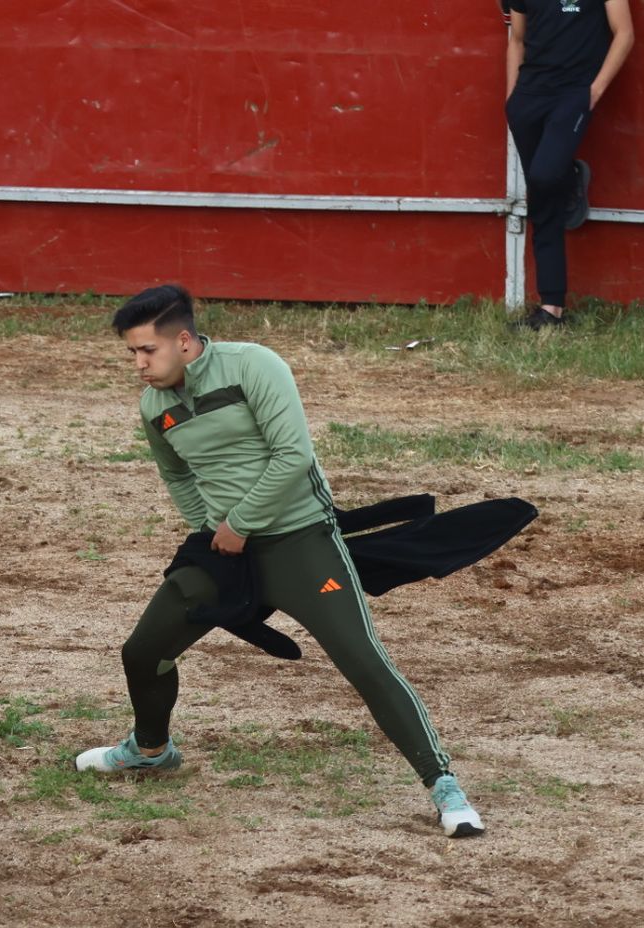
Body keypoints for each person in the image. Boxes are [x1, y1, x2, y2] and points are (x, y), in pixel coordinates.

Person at [73, 285, 484, 838]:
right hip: (223, 549)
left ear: (186, 341)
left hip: (302, 541)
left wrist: (240, 522)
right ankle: (151, 751)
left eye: (148, 350)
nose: (139, 364)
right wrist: (212, 527)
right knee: (144, 651)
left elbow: (294, 454)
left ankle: (444, 787)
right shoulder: (155, 406)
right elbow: (177, 475)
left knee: (362, 660)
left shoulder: (255, 367)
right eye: (132, 354)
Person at [504, 0, 634, 330]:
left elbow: (624, 34)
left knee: (546, 176)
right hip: (529, 96)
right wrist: (512, 99)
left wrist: (593, 91)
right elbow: (517, 38)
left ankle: (566, 173)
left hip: (573, 94)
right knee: (541, 198)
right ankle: (551, 308)